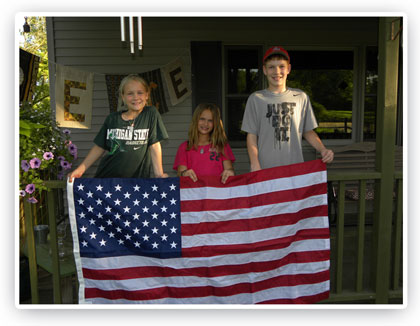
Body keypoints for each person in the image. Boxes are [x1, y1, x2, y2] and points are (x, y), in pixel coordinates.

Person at [241, 46, 334, 171]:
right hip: (265, 168)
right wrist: (254, 164)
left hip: (294, 168)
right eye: (271, 67)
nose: (277, 71)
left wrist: (323, 150)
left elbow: (308, 131)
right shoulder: (256, 99)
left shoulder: (301, 97)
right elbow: (251, 135)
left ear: (289, 68)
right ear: (264, 70)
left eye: (281, 66)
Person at [68, 74, 168, 181]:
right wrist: (80, 170)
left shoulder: (150, 114)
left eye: (140, 93)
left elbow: (154, 145)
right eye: (130, 93)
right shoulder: (112, 119)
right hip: (108, 179)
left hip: (137, 181)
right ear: (123, 96)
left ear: (147, 95)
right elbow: (99, 147)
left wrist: (159, 174)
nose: (135, 97)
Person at [173, 103, 235, 184]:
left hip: (217, 192)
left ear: (215, 124)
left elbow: (229, 170)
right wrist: (185, 173)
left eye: (210, 120)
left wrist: (230, 172)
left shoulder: (222, 145)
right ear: (196, 120)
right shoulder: (184, 147)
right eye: (202, 119)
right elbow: (180, 173)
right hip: (193, 193)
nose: (205, 124)